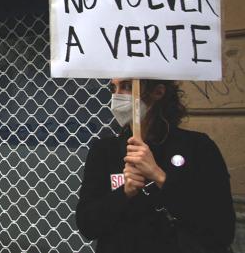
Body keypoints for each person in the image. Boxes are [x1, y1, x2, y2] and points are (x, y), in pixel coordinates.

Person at [76, 78, 236, 253]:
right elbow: (87, 225)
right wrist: (124, 192)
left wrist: (160, 177)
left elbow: (222, 229)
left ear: (158, 92)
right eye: (113, 88)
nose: (117, 96)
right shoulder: (105, 150)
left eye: (128, 87)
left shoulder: (198, 147)